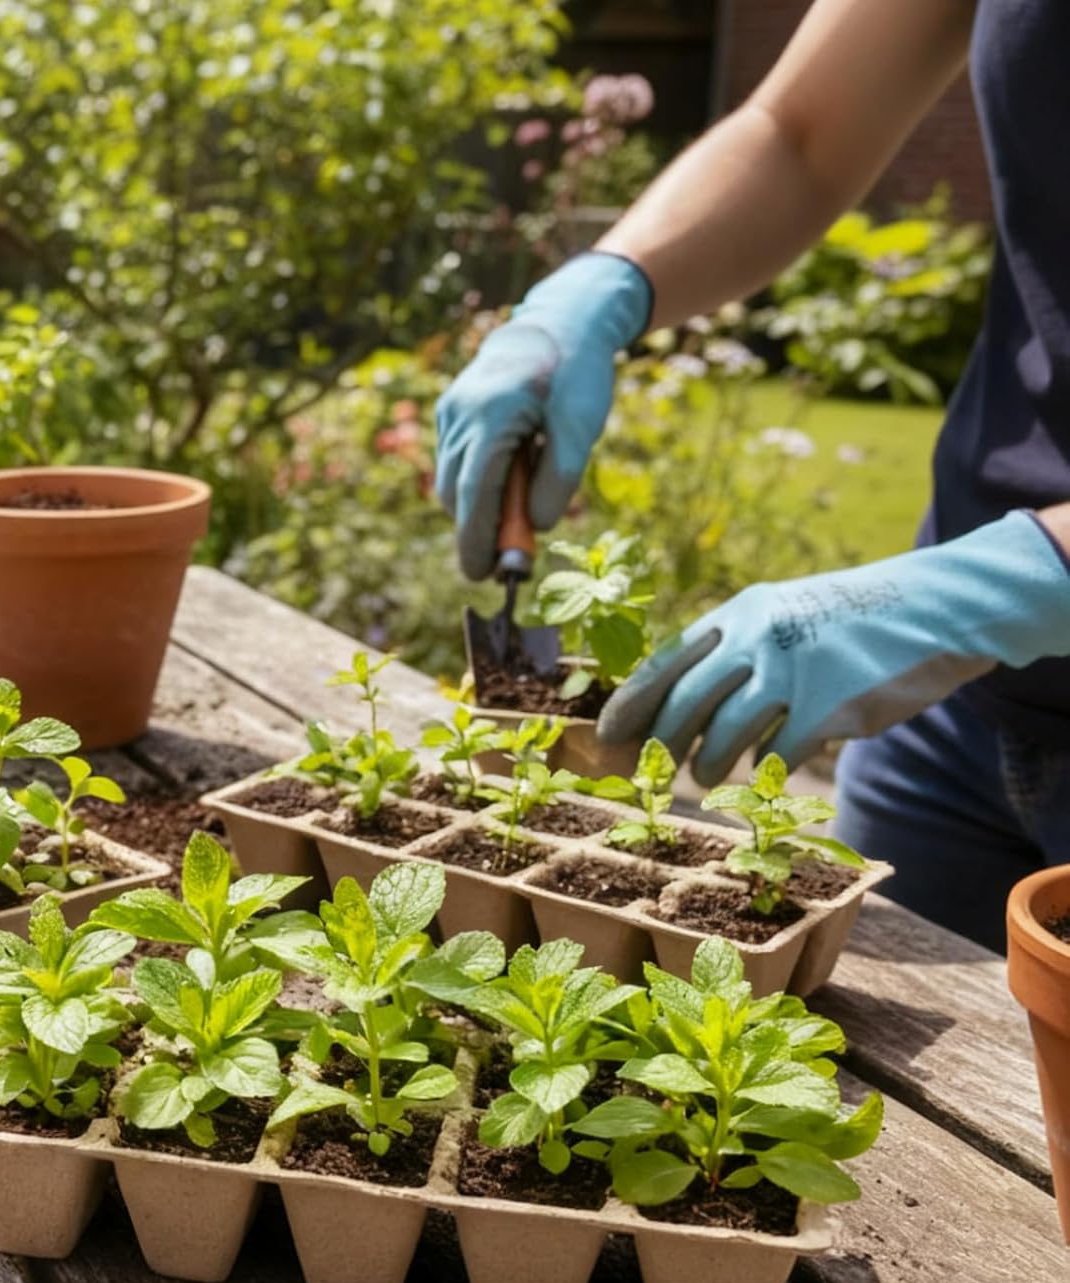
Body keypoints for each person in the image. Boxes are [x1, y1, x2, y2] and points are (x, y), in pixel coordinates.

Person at [434, 0, 1070, 953]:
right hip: (953, 717)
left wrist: (998, 590)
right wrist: (602, 289)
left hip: (969, 614)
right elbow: (799, 131)